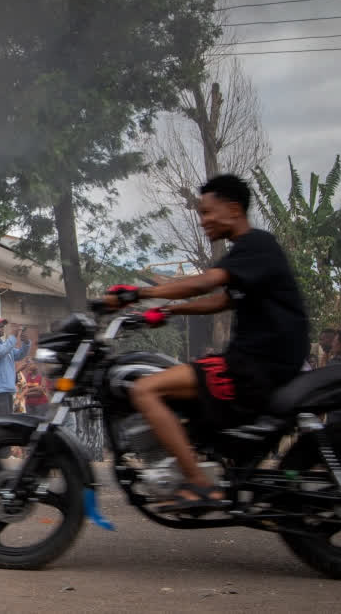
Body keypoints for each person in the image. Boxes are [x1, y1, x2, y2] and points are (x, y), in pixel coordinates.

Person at [104, 174, 308, 510]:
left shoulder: (256, 245)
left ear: (233, 209)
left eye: (207, 212)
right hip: (256, 361)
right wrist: (170, 311)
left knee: (144, 389)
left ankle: (199, 483)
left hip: (256, 365)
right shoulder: (248, 252)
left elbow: (207, 283)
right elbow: (222, 300)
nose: (203, 221)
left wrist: (137, 294)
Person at [0, 317, 30, 419]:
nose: (2, 328)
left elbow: (19, 355)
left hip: (7, 389)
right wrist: (12, 337)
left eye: (3, 326)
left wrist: (26, 343)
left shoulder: (4, 344)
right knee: (2, 422)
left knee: (7, 421)